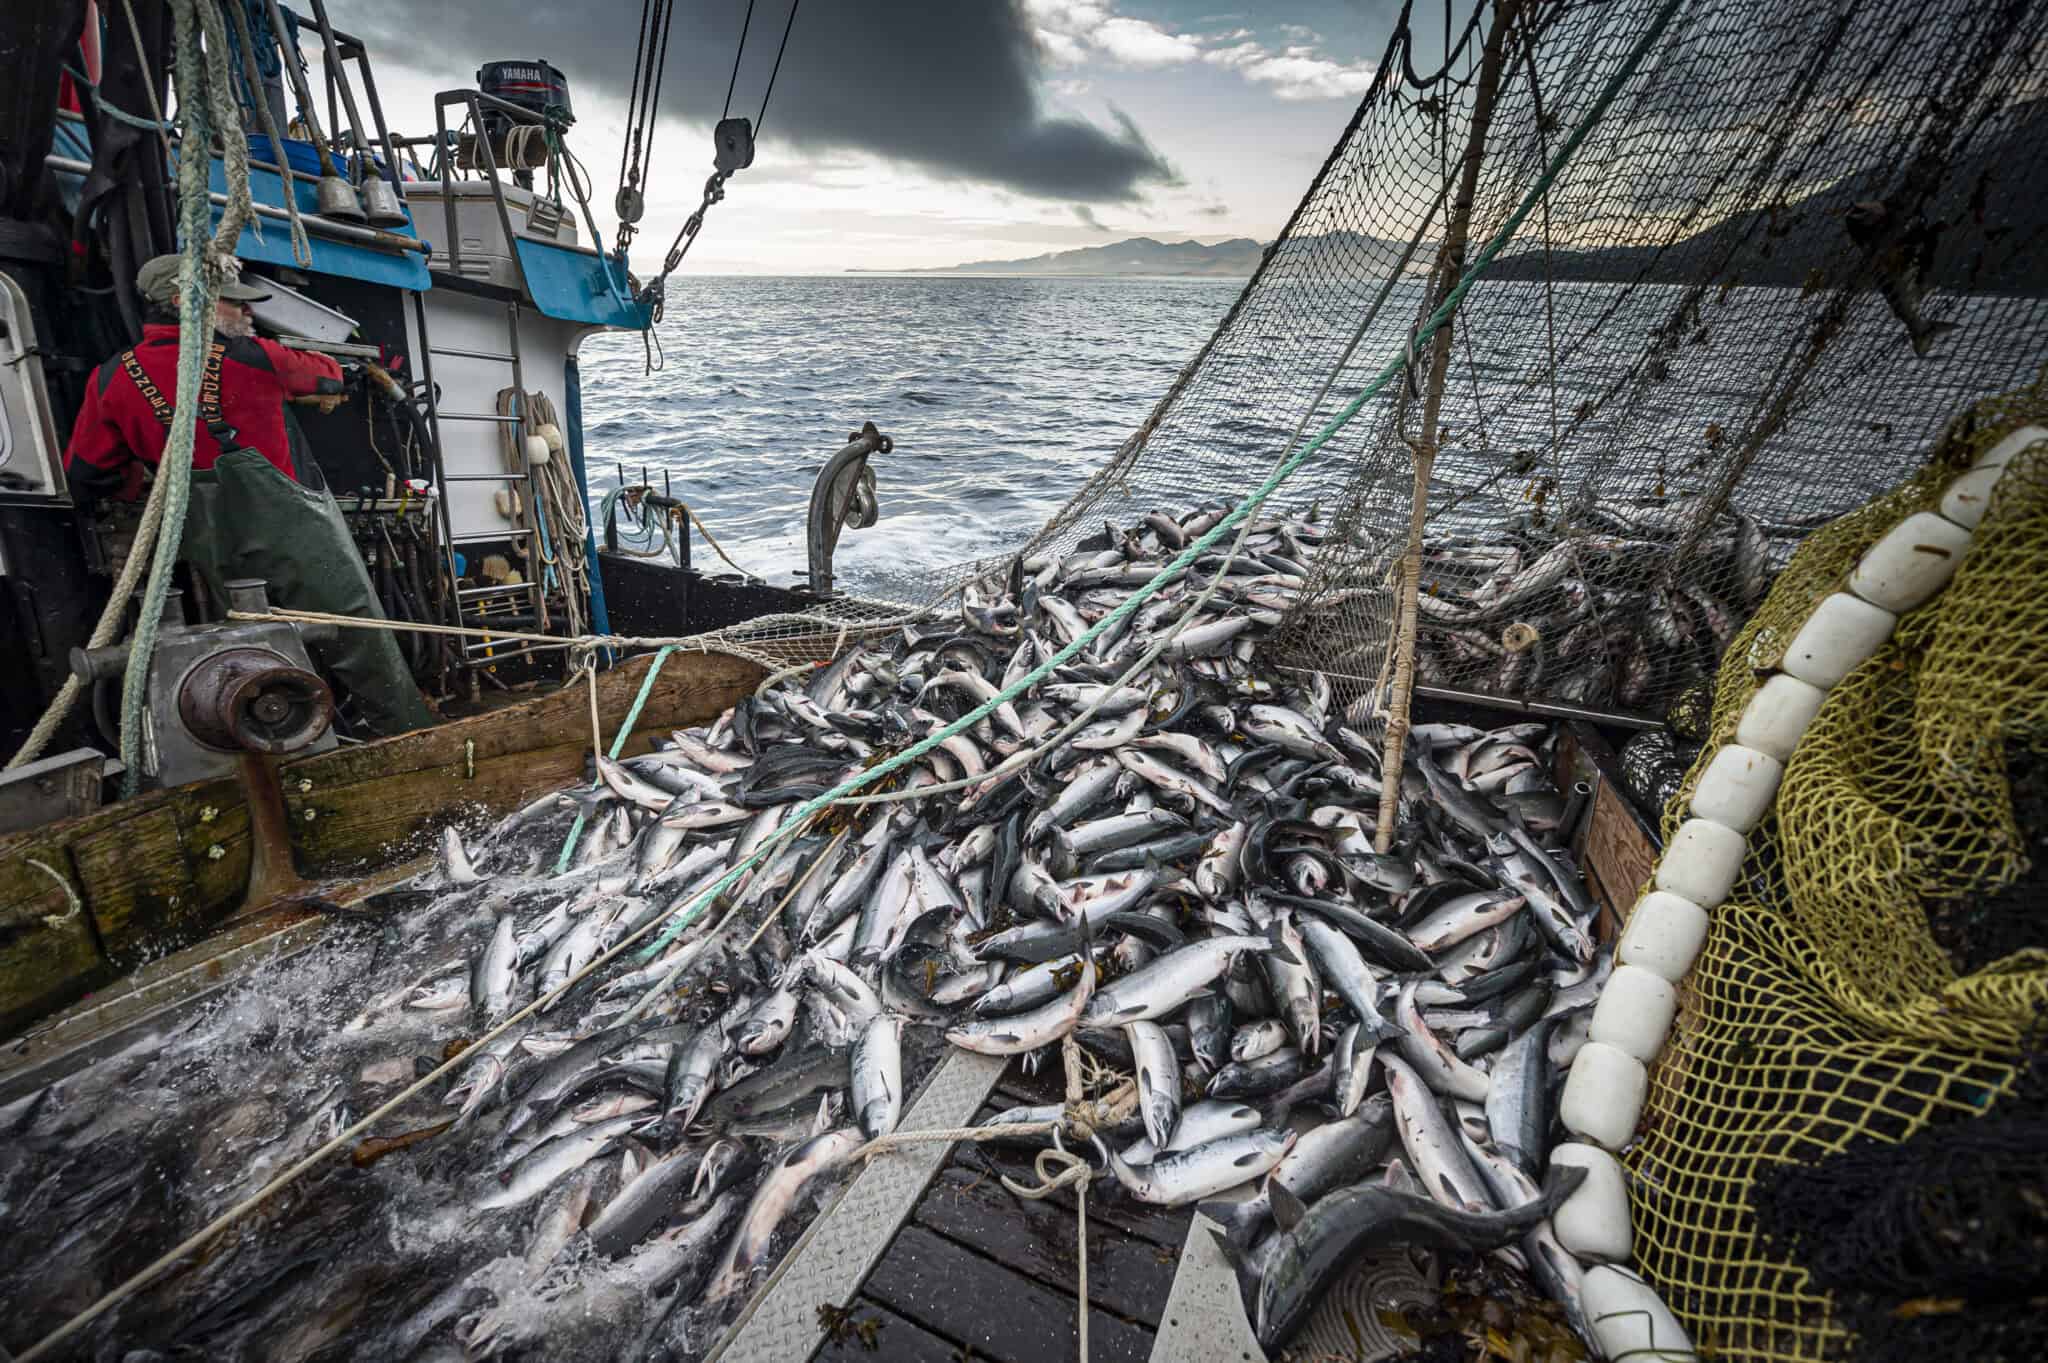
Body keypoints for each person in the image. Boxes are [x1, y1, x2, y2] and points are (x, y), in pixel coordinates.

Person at [64, 253, 435, 738]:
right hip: (300, 538)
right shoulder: (252, 357)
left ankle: (287, 740)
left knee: (254, 648)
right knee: (359, 637)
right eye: (232, 303)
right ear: (184, 303)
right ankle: (409, 735)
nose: (247, 313)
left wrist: (140, 470)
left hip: (215, 548)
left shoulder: (112, 378)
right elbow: (329, 376)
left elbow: (87, 472)